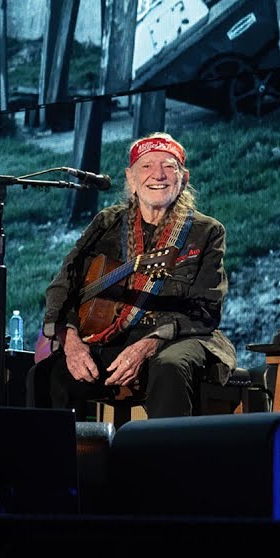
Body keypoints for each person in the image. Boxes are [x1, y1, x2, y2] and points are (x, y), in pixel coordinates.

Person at [30, 132, 237, 419]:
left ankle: (165, 461)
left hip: (179, 336)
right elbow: (63, 285)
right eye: (147, 166)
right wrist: (72, 341)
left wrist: (147, 345)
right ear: (131, 178)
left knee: (169, 366)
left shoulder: (207, 231)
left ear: (184, 177)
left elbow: (206, 309)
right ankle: (62, 461)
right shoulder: (107, 223)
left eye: (169, 166)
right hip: (113, 336)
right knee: (46, 375)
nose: (158, 175)